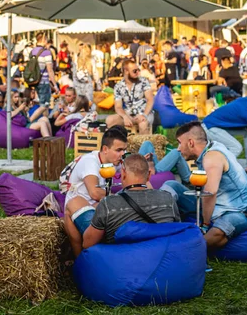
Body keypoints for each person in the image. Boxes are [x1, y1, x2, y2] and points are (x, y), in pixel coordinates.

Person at [160, 122, 247, 251]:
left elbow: (209, 193)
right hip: (216, 207)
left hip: (238, 210)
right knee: (171, 185)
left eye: (180, 142)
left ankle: (185, 251)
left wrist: (205, 225)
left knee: (220, 230)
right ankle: (161, 225)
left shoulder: (212, 157)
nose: (178, 148)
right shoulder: (209, 149)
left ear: (191, 143)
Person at [81, 154, 181, 251]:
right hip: (160, 259)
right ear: (149, 175)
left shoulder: (108, 204)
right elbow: (176, 232)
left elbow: (87, 244)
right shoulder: (168, 199)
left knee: (76, 205)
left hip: (120, 263)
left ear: (123, 173)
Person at [63, 126, 129, 256]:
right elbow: (94, 193)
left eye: (124, 150)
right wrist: (121, 199)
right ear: (105, 149)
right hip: (80, 207)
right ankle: (79, 257)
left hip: (96, 205)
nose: (123, 154)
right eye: (119, 150)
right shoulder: (90, 162)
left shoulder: (113, 162)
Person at [107, 59, 154, 134]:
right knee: (110, 120)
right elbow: (118, 107)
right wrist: (125, 116)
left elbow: (150, 100)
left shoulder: (143, 81)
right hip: (129, 114)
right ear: (126, 71)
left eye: (138, 70)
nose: (138, 73)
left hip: (144, 113)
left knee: (143, 124)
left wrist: (144, 115)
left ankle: (142, 145)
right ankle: (119, 143)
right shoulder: (118, 86)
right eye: (135, 71)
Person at [31, 32, 58, 107]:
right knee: (44, 106)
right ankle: (34, 119)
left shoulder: (33, 51)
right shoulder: (46, 52)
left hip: (35, 80)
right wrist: (55, 85)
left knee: (39, 104)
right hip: (44, 82)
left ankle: (40, 118)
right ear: (44, 40)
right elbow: (50, 70)